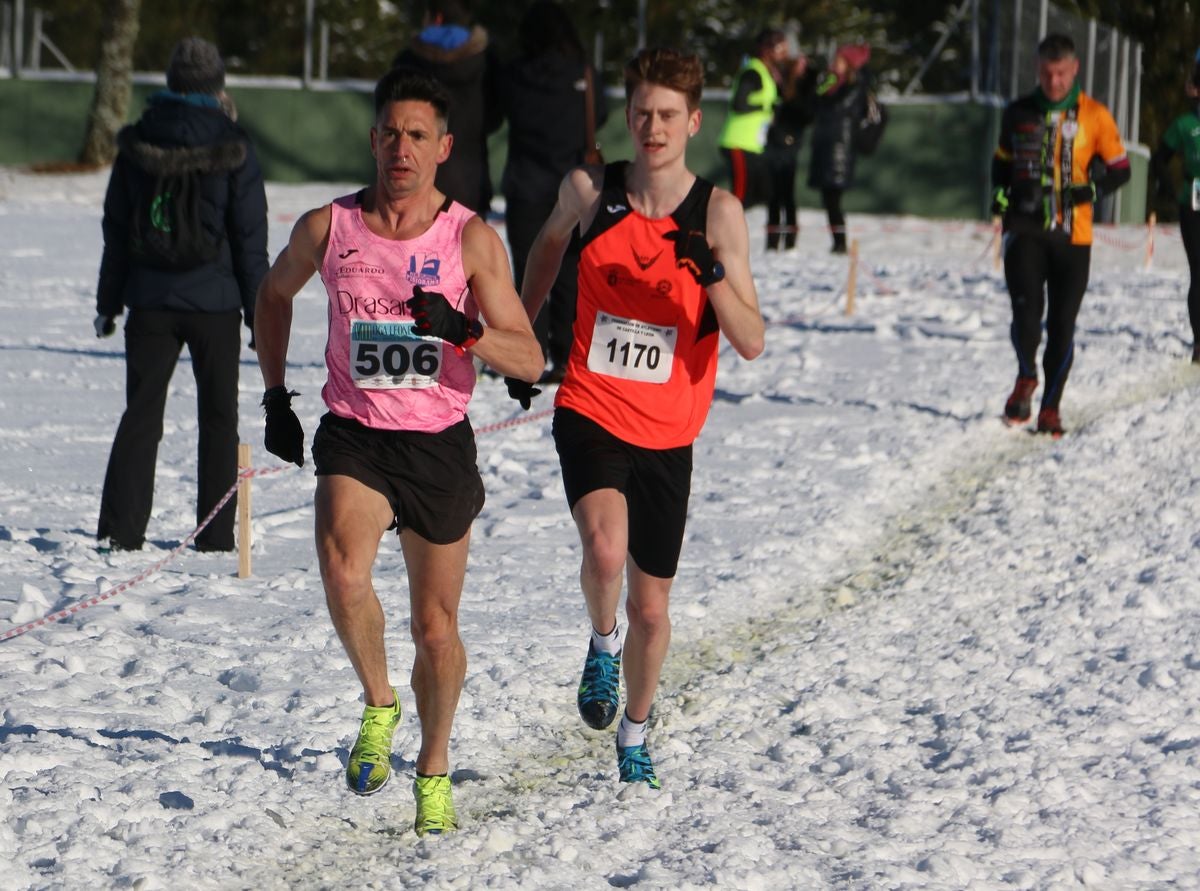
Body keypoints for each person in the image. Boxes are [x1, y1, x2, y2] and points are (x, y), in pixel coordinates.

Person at [252, 68, 542, 834]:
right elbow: (273, 293)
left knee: (435, 629)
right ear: (373, 139)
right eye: (389, 132)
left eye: (417, 135)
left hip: (438, 444)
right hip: (356, 433)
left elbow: (531, 358)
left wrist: (464, 329)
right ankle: (380, 701)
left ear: (444, 147)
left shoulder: (471, 238)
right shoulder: (328, 227)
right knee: (344, 570)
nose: (401, 148)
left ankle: (435, 762)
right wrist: (277, 394)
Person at [510, 47, 765, 788]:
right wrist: (523, 335)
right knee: (605, 547)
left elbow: (750, 339)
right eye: (640, 114)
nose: (652, 128)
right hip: (591, 405)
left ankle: (636, 730)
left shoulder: (718, 213)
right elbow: (547, 245)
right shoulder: (592, 190)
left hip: (668, 433)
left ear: (693, 121)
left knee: (653, 612)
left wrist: (709, 270)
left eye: (666, 115)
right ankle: (599, 645)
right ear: (627, 117)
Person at [94, 36, 267, 553]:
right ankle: (216, 536)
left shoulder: (138, 140)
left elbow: (117, 229)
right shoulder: (235, 144)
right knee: (220, 419)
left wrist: (109, 302)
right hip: (215, 306)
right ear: (217, 86)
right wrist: (260, 315)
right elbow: (249, 238)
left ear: (170, 84)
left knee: (141, 414)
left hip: (148, 302)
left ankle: (121, 532)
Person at [992, 32, 1130, 436]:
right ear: (1038, 70)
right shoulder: (1018, 111)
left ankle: (1051, 406)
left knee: (1063, 324)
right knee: (1026, 314)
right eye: (1047, 73)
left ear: (1075, 71)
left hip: (1074, 235)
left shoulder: (1096, 116)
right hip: (1024, 227)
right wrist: (999, 193)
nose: (1054, 82)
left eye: (1061, 74)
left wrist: (1093, 188)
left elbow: (1122, 169)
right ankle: (1025, 375)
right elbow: (1000, 162)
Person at [498, 0, 607, 382]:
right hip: (575, 182)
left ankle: (528, 351)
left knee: (528, 269)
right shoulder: (584, 73)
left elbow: (498, 112)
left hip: (526, 183)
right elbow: (603, 113)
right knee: (571, 270)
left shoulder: (514, 73)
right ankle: (567, 352)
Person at [392, 0, 502, 216]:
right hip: (470, 181)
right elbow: (495, 117)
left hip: (415, 179)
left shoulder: (408, 60)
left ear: (437, 17)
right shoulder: (485, 61)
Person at [1151, 49, 1200, 364]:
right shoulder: (1184, 125)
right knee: (1199, 272)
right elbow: (1159, 159)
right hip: (1193, 204)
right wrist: (1170, 189)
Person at [807, 43, 871, 254]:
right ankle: (837, 242)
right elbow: (815, 102)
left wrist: (825, 94)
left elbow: (834, 108)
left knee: (833, 198)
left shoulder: (855, 86)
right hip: (827, 147)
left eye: (839, 60)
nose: (834, 64)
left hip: (839, 150)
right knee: (829, 198)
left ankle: (840, 242)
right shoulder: (833, 82)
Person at [717, 29, 790, 211]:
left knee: (762, 194)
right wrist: (766, 107)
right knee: (740, 199)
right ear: (767, 49)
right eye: (780, 48)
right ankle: (720, 234)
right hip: (738, 143)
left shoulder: (768, 73)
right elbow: (738, 104)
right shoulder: (752, 72)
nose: (784, 54)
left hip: (753, 146)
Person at [764, 49, 814, 251]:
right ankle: (773, 240)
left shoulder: (806, 86)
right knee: (773, 195)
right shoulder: (778, 81)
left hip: (790, 144)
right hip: (773, 142)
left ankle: (790, 240)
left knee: (787, 194)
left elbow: (807, 114)